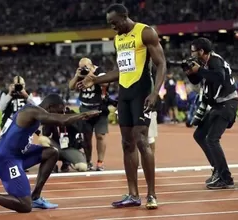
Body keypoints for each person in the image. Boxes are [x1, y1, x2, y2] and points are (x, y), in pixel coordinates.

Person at [78, 3, 166, 209]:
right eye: (110, 24)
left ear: (125, 17)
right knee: (127, 144)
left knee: (142, 141)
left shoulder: (145, 32)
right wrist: (95, 80)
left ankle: (151, 195)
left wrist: (155, 92)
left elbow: (161, 63)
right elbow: (119, 71)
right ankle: (133, 194)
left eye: (115, 23)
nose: (113, 28)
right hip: (124, 94)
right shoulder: (118, 39)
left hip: (142, 92)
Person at [0, 94, 100, 215]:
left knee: (52, 152)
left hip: (21, 153)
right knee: (24, 205)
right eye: (60, 110)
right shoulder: (31, 111)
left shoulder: (34, 113)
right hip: (6, 159)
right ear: (51, 107)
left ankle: (36, 197)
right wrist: (84, 115)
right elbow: (61, 120)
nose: (62, 113)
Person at [186, 37, 238, 189]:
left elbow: (219, 78)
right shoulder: (206, 63)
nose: (191, 54)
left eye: (193, 51)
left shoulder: (215, 60)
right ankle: (218, 171)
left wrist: (200, 70)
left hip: (227, 104)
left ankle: (225, 177)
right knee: (199, 135)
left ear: (201, 51)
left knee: (212, 139)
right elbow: (197, 80)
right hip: (219, 105)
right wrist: (190, 72)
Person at [69, 57, 109, 171]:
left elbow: (106, 83)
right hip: (85, 108)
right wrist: (77, 76)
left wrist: (91, 75)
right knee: (86, 137)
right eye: (81, 68)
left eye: (85, 67)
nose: (83, 70)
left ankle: (100, 162)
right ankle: (88, 161)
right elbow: (71, 87)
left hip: (100, 108)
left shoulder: (100, 71)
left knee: (100, 136)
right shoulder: (80, 74)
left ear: (91, 65)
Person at [41, 106, 88, 173]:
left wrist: (66, 120)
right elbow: (46, 133)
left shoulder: (71, 114)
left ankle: (67, 162)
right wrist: (48, 121)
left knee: (82, 167)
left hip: (70, 148)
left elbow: (79, 129)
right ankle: (52, 164)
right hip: (56, 146)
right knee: (42, 139)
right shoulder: (52, 116)